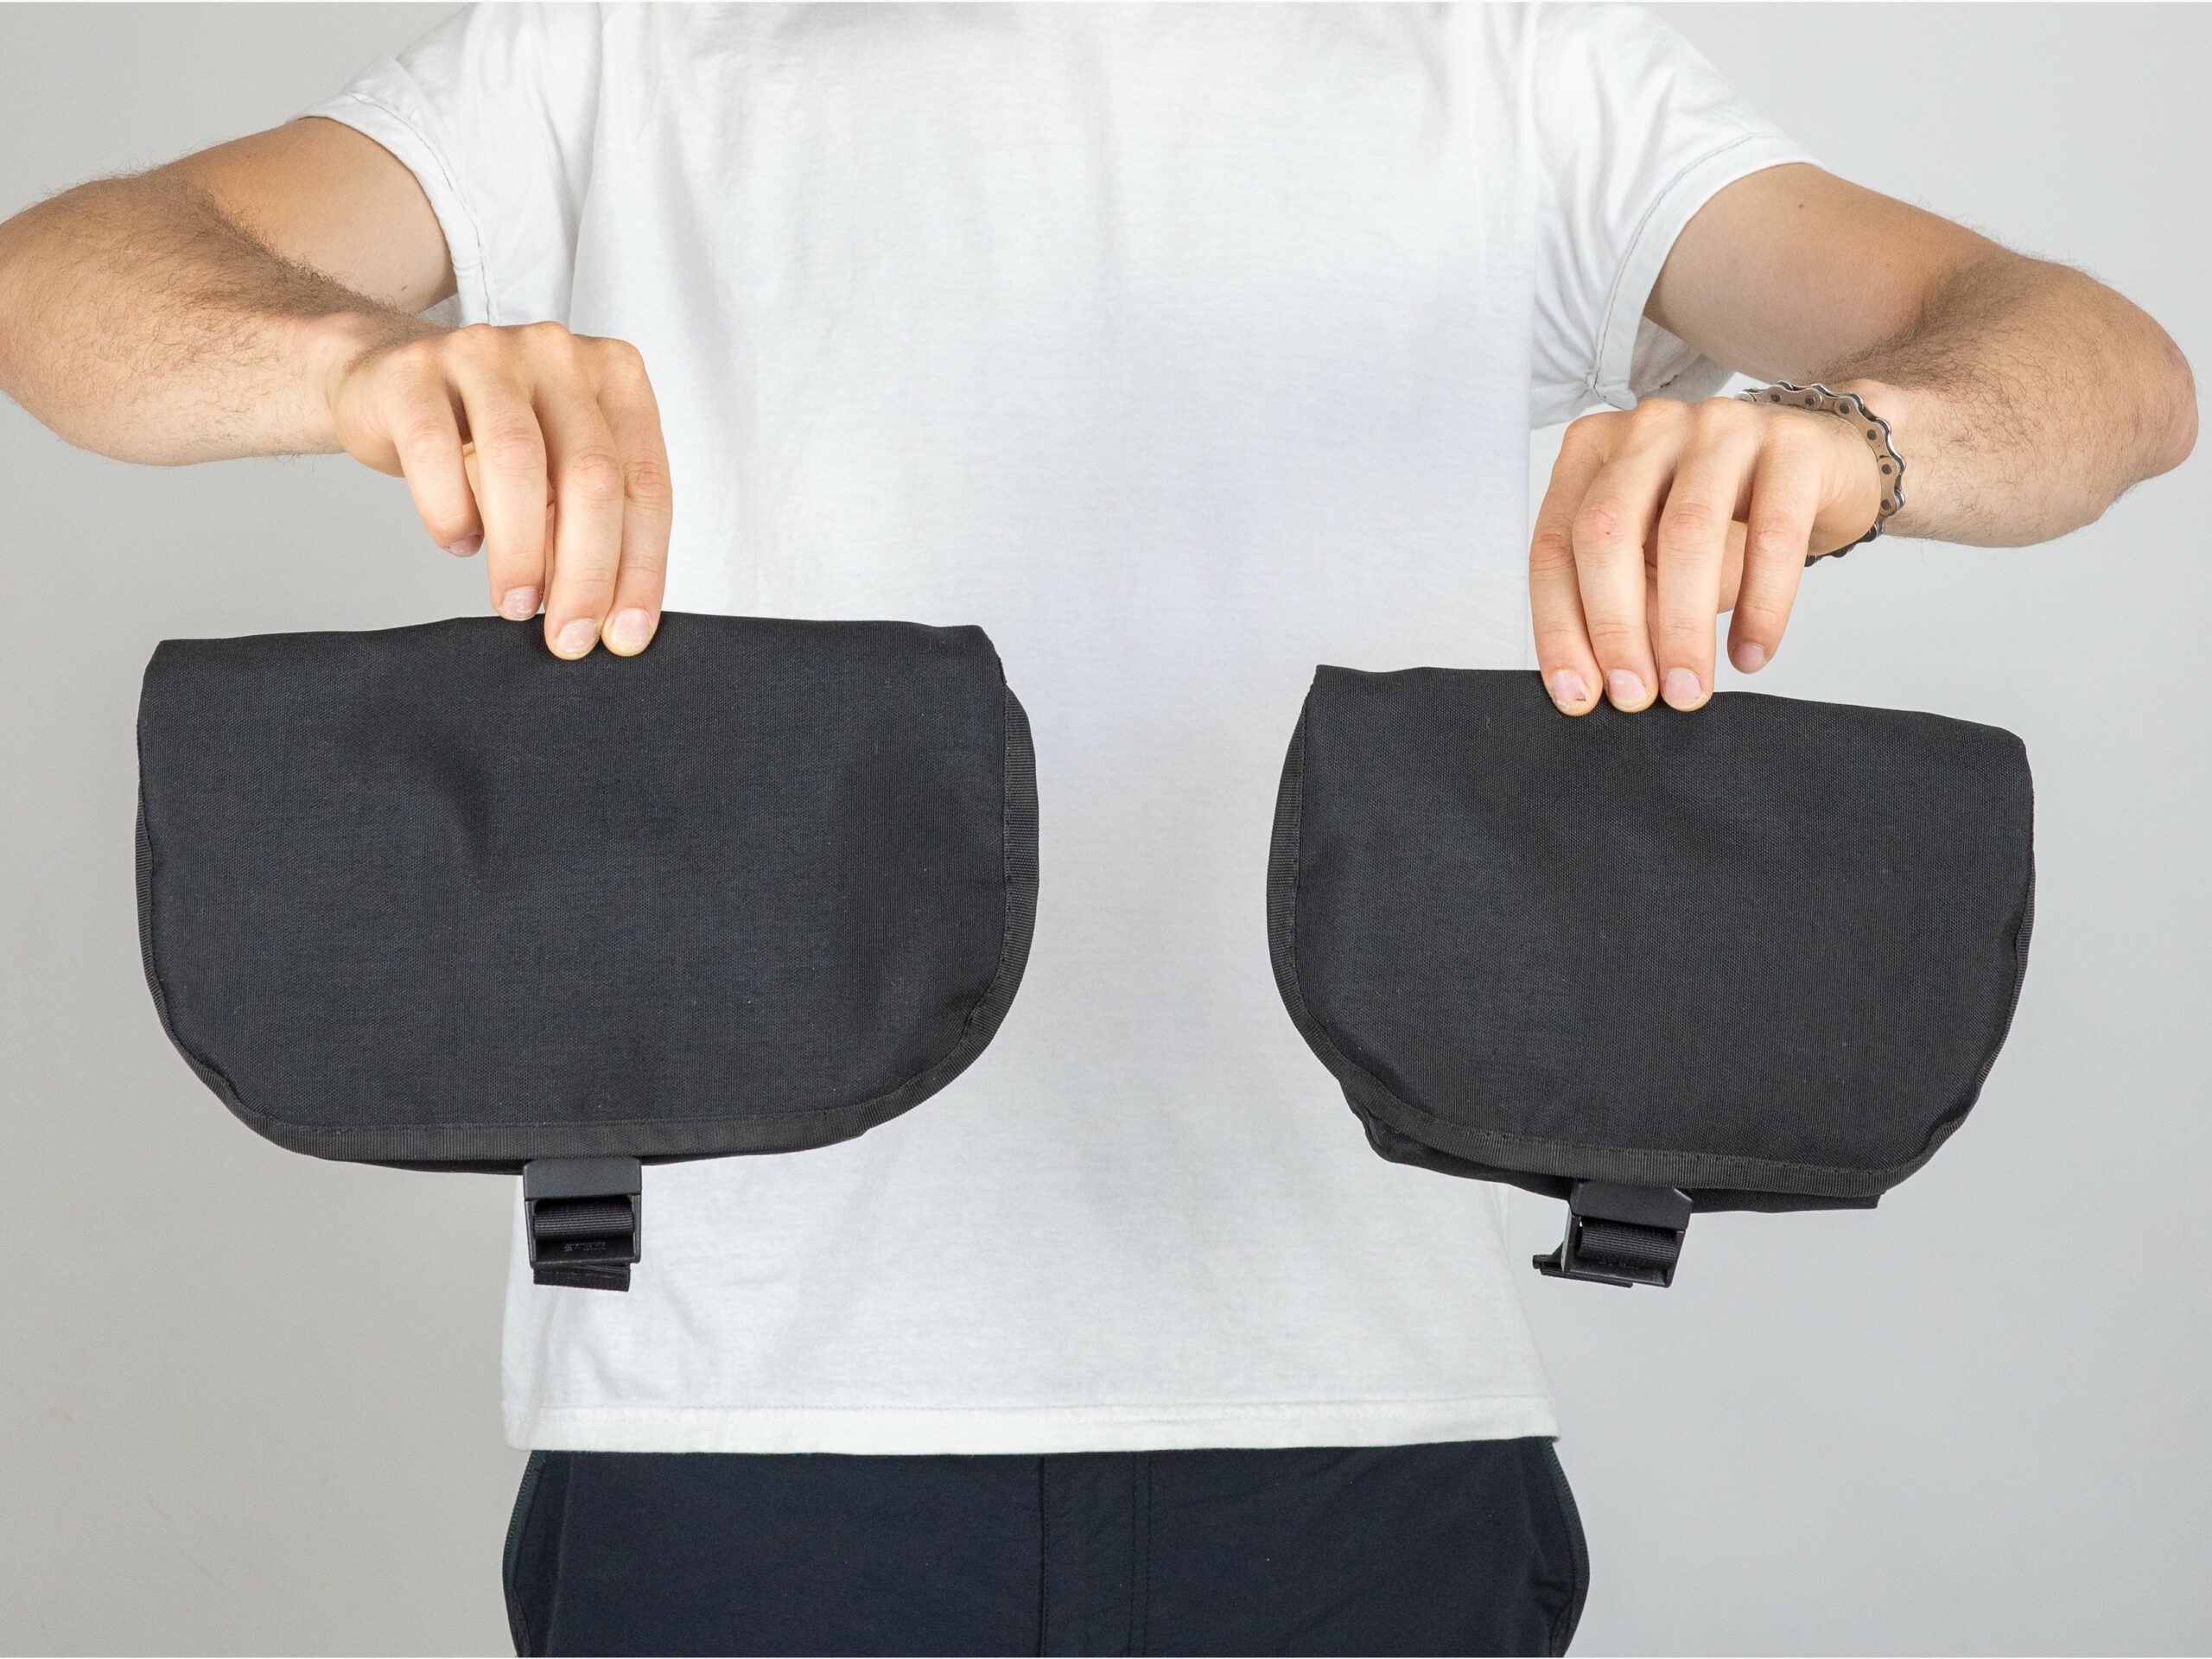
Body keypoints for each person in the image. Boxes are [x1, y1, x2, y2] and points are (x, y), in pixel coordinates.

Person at [0, 6, 2192, 1655]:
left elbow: (2102, 373)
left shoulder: (1523, 72)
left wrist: (1852, 436)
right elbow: (64, 285)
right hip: (737, 1447)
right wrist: (350, 367)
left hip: (1361, 1430)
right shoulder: (607, 55)